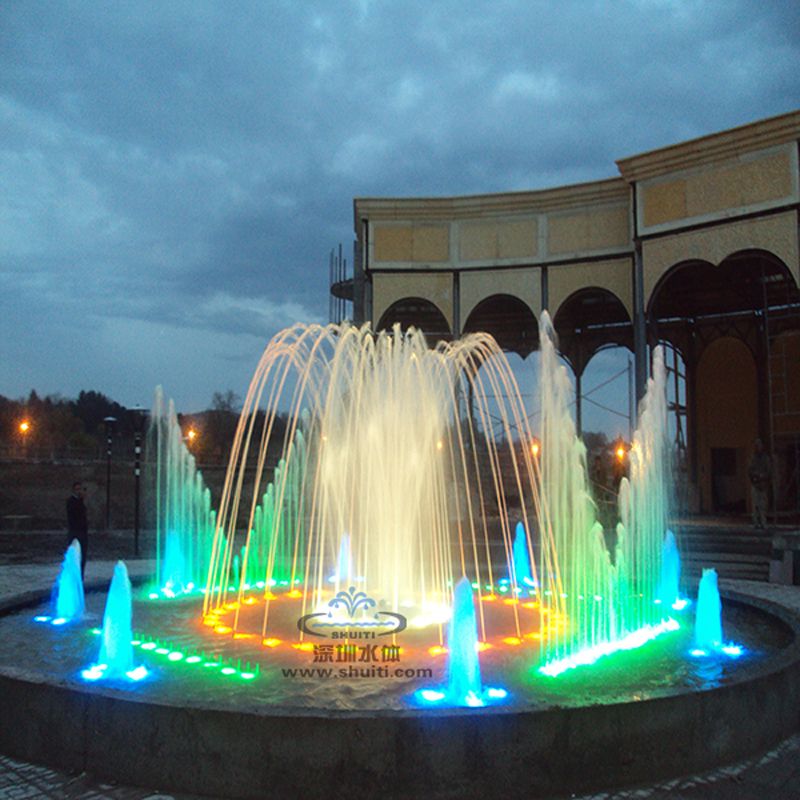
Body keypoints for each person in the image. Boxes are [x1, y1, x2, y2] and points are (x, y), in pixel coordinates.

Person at [66, 481, 88, 578]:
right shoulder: (72, 501)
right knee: (75, 555)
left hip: (82, 532)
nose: (79, 492)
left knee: (83, 556)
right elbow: (74, 516)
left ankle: (80, 576)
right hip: (75, 532)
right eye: (77, 489)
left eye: (81, 489)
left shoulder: (81, 501)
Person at [747, 439, 771, 530]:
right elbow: (749, 470)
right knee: (755, 505)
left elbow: (769, 471)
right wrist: (755, 476)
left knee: (763, 505)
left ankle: (763, 522)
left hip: (763, 485)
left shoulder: (766, 459)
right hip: (755, 484)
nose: (758, 447)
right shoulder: (753, 458)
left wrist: (762, 476)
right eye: (756, 446)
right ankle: (756, 522)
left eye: (759, 445)